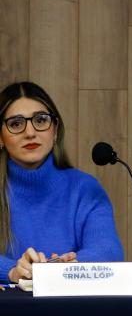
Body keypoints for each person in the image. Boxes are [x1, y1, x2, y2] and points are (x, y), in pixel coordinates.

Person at [0, 81, 123, 282]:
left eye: (40, 120)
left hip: (73, 311)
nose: (30, 132)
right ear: (1, 138)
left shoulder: (85, 189)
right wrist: (12, 270)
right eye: (16, 124)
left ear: (55, 130)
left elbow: (108, 251)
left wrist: (61, 270)